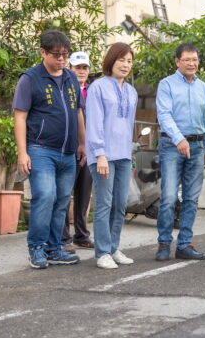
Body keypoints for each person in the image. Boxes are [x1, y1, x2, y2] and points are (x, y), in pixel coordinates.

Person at [13, 30, 86, 269]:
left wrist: (83, 143)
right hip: (41, 149)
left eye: (65, 54)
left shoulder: (71, 78)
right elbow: (20, 117)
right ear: (43, 52)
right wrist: (22, 152)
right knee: (45, 196)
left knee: (62, 200)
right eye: (56, 54)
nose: (62, 59)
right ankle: (36, 247)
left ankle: (54, 248)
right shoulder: (30, 79)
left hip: (68, 152)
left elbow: (78, 111)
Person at [154, 43, 205, 261]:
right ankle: (163, 244)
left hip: (197, 147)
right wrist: (179, 139)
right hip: (172, 145)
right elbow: (164, 115)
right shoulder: (166, 84)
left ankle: (184, 245)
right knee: (169, 197)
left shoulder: (202, 87)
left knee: (191, 199)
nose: (191, 63)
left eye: (194, 59)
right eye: (187, 59)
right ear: (177, 61)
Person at [85, 42, 138, 269]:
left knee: (120, 204)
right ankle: (102, 252)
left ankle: (114, 248)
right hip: (103, 155)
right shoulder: (98, 87)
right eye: (121, 60)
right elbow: (94, 123)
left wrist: (130, 151)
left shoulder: (132, 91)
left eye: (129, 61)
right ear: (111, 60)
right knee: (104, 203)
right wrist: (100, 155)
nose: (125, 65)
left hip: (124, 155)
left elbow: (128, 124)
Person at [61, 51, 95, 253]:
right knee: (64, 194)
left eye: (84, 68)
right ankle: (63, 237)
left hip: (90, 150)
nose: (81, 71)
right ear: (70, 69)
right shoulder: (64, 88)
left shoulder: (93, 91)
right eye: (77, 68)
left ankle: (81, 236)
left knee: (84, 194)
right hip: (68, 148)